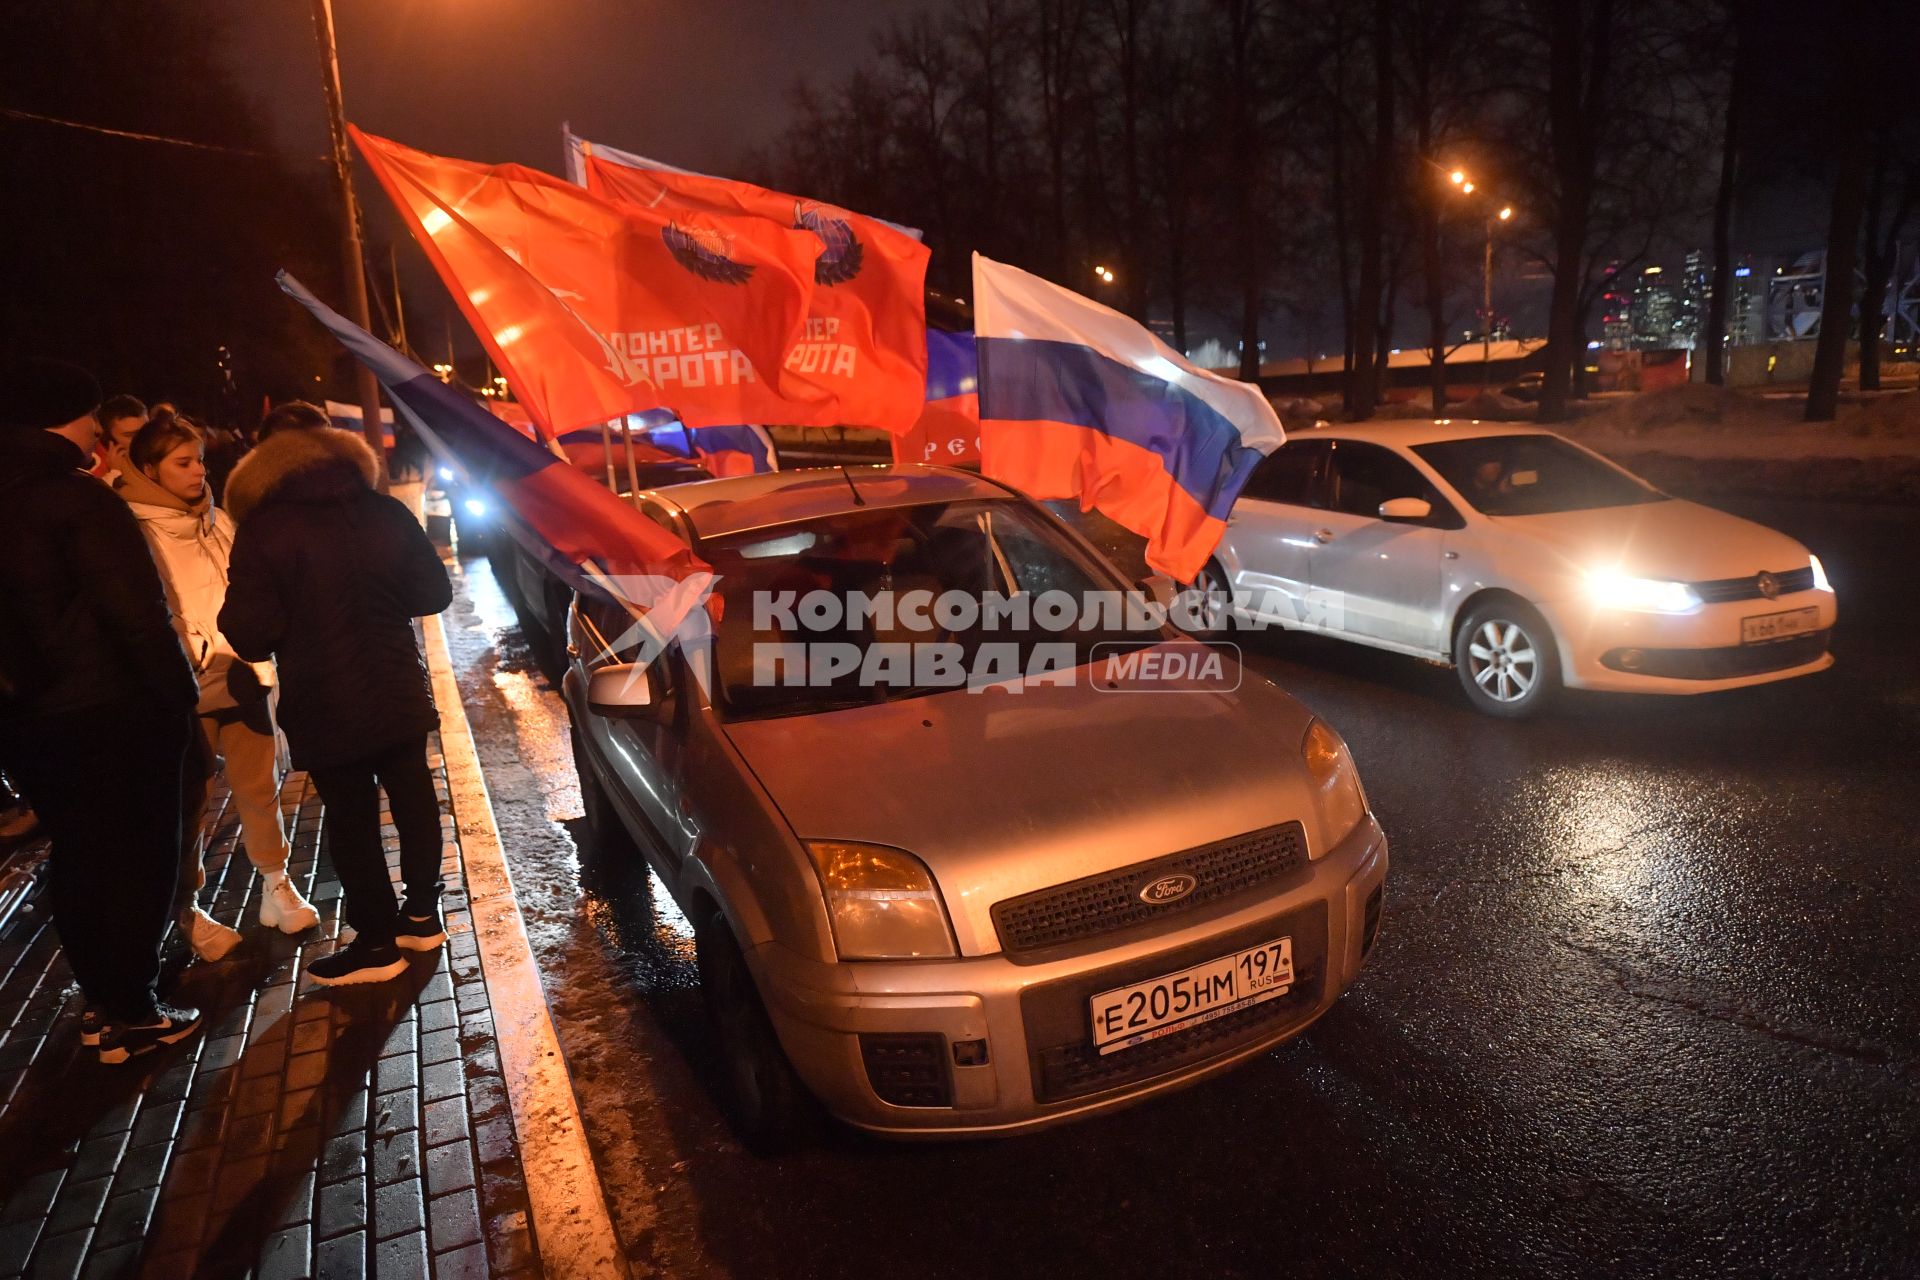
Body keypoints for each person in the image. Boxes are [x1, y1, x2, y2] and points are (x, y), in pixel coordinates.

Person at [0, 358, 202, 1062]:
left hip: (27, 721)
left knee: (79, 856)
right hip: (112, 712)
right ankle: (132, 1008)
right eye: (92, 417)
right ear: (71, 417)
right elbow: (136, 614)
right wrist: (178, 701)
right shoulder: (78, 501)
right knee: (138, 856)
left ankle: (102, 1000)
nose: (102, 432)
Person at [220, 420, 453, 986]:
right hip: (397, 684)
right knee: (414, 795)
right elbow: (434, 593)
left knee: (352, 820)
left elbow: (248, 633)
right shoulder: (386, 512)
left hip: (325, 698)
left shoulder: (266, 530)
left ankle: (375, 942)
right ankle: (422, 913)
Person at [120, 413, 322, 961]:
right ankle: (186, 910)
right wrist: (196, 650)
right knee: (192, 799)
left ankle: (275, 886)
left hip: (242, 670)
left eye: (199, 460)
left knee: (260, 786)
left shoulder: (218, 515)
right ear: (148, 468)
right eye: (182, 463)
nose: (196, 472)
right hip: (186, 681)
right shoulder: (131, 527)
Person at [90, 393, 147, 483]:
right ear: (108, 438)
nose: (142, 439)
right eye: (130, 435)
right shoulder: (94, 468)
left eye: (145, 432)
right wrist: (115, 473)